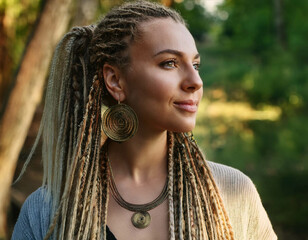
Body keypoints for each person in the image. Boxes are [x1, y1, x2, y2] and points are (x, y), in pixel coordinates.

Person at [12, 1, 277, 239]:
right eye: (170, 63)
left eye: (195, 65)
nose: (195, 82)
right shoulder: (47, 211)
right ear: (115, 80)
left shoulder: (234, 193)